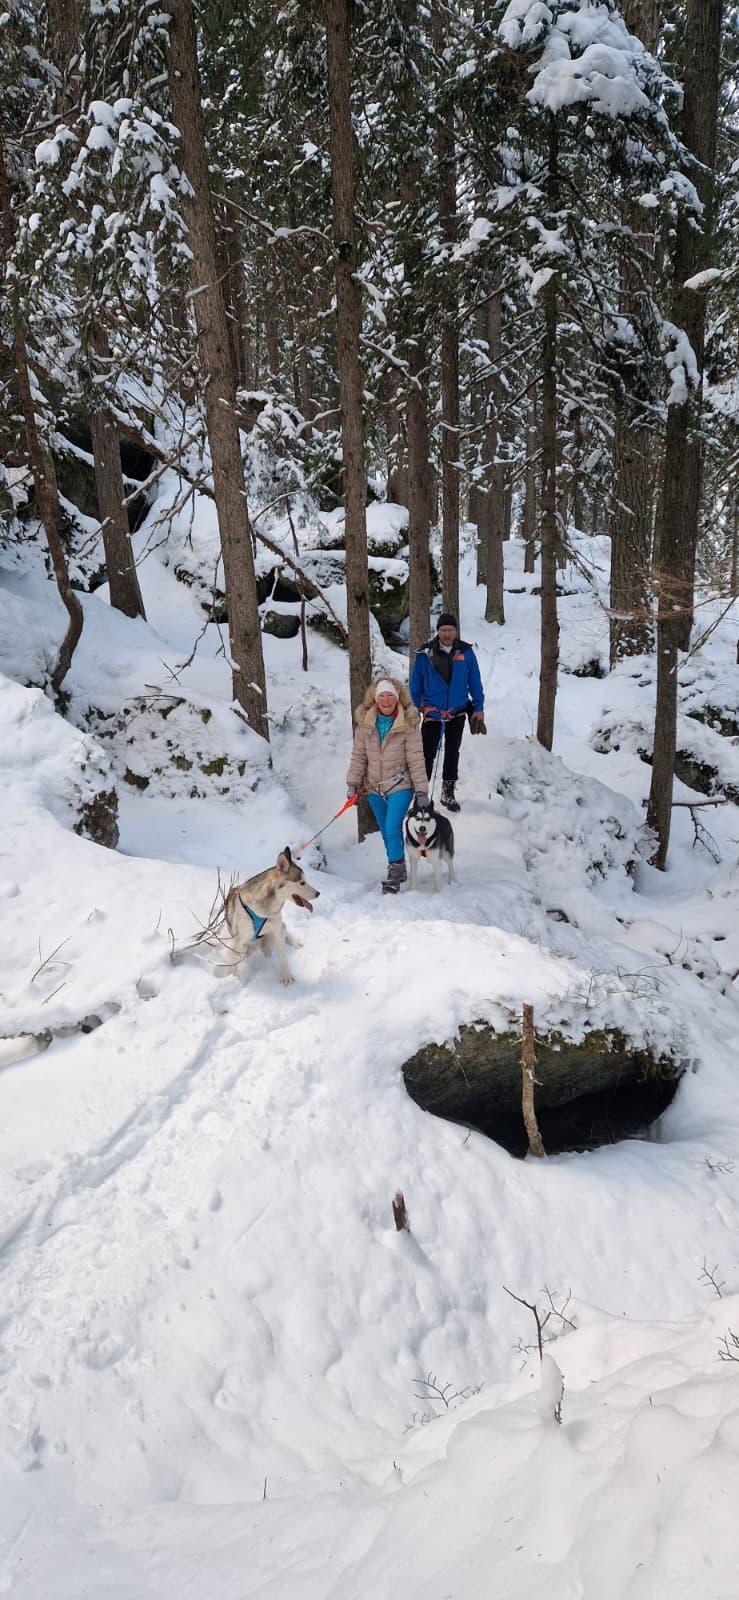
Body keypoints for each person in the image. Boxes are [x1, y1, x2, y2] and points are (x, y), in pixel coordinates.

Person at [346, 677, 429, 894]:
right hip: (374, 787)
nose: (385, 699)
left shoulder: (408, 724)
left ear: (397, 698)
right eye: (381, 695)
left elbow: (416, 759)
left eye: (390, 695)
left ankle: (394, 871)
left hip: (400, 784)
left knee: (392, 826)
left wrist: (421, 790)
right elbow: (358, 757)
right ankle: (398, 865)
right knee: (385, 830)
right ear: (374, 697)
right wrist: (353, 783)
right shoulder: (365, 725)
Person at [409, 612, 485, 812]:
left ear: (456, 631)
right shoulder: (424, 655)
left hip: (457, 712)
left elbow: (475, 682)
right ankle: (421, 796)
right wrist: (414, 709)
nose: (447, 634)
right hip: (432, 713)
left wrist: (479, 707)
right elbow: (415, 686)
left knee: (452, 752)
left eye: (450, 630)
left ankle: (447, 792)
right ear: (438, 631)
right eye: (443, 630)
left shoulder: (466, 653)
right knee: (426, 754)